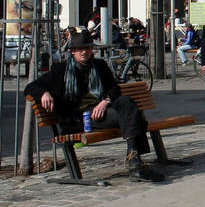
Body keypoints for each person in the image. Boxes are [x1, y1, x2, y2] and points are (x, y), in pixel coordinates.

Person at [24, 28, 161, 181]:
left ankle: (133, 157)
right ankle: (136, 164)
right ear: (73, 51)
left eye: (88, 48)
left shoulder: (99, 66)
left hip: (101, 112)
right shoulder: (61, 70)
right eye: (80, 49)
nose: (84, 52)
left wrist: (105, 101)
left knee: (128, 102)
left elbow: (114, 88)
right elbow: (30, 87)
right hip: (82, 119)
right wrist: (44, 93)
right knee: (134, 115)